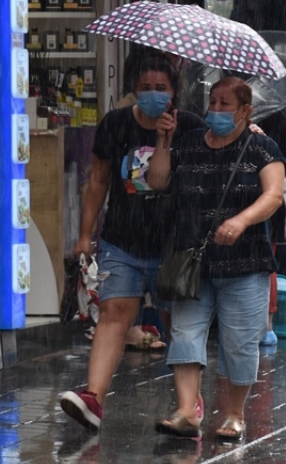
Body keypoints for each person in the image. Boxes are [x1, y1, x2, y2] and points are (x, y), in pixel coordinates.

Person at [58, 56, 206, 430]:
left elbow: (216, 158)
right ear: (133, 89)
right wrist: (84, 235)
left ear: (174, 92)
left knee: (178, 322)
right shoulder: (116, 124)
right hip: (122, 240)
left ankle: (189, 405)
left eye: (162, 89)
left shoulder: (189, 128)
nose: (153, 95)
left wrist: (246, 130)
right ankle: (93, 397)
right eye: (145, 88)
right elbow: (98, 183)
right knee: (114, 314)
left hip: (174, 245)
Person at [146, 77, 286, 441]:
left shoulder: (261, 147)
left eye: (226, 104)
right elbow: (158, 181)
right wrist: (163, 140)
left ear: (246, 110)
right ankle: (186, 411)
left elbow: (274, 195)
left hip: (244, 263)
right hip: (193, 261)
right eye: (213, 103)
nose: (217, 111)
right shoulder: (189, 142)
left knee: (239, 342)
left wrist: (241, 221)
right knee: (185, 333)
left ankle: (235, 414)